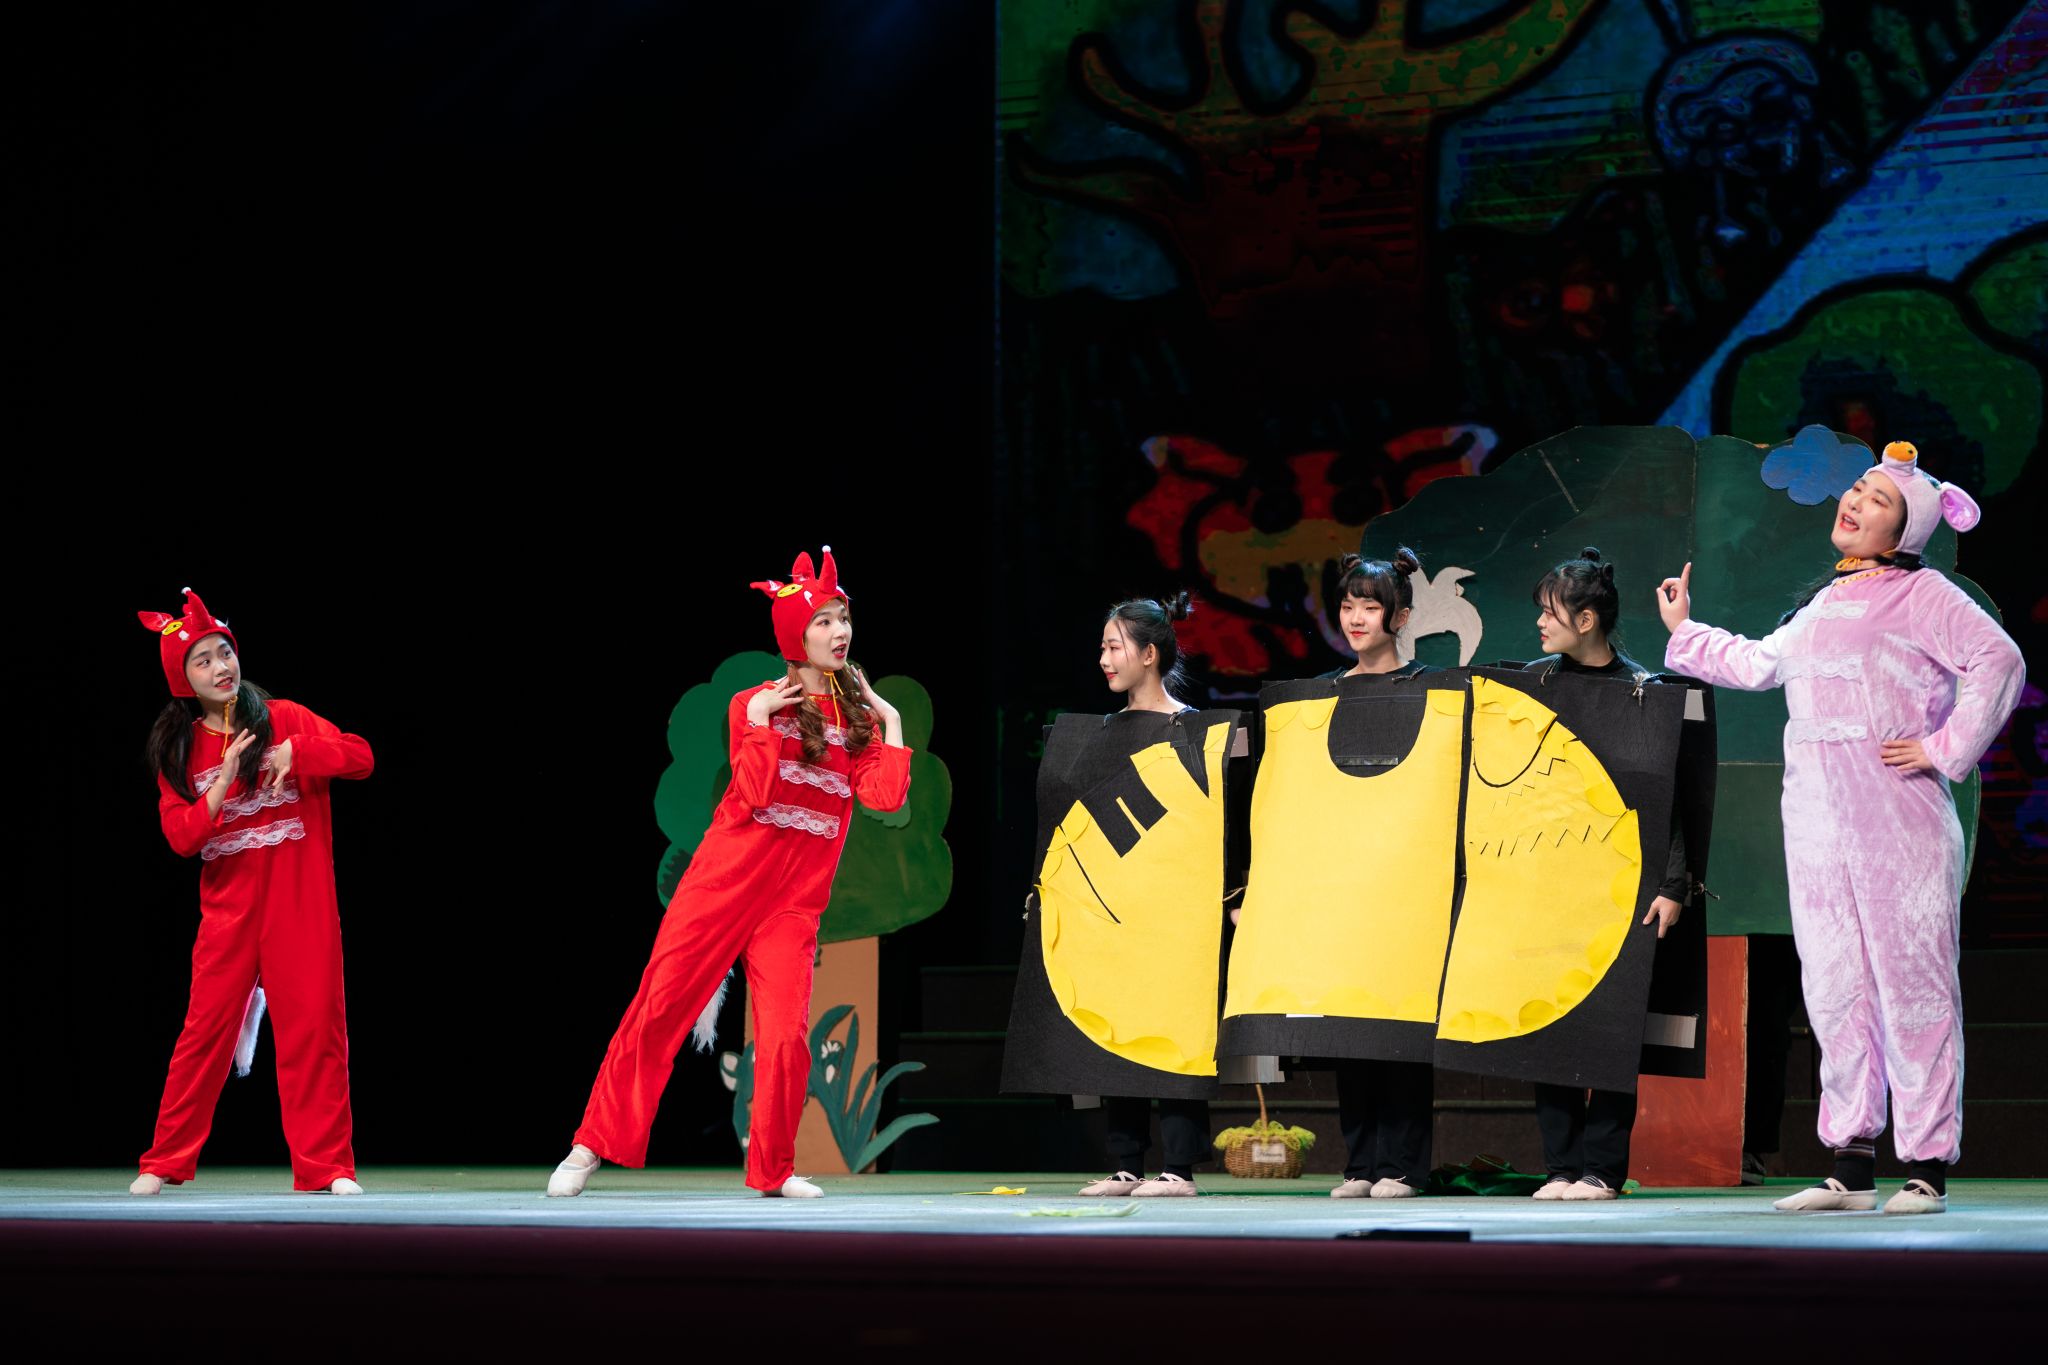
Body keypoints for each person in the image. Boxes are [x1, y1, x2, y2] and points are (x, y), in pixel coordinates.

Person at [1659, 443, 2024, 1215]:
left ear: (1905, 530)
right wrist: (1685, 629)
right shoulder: (1825, 602)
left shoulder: (1925, 594)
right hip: (1818, 823)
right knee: (1834, 988)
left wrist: (1944, 748)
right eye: (1856, 489)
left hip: (1900, 821)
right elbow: (1759, 664)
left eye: (1876, 499)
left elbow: (1999, 659)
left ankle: (1925, 1165)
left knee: (1914, 987)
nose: (1854, 502)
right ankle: (1851, 1165)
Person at [548, 548, 912, 1200]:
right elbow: (753, 795)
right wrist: (760, 721)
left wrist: (889, 720)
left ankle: (773, 1170)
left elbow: (884, 798)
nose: (840, 631)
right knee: (660, 1007)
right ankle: (590, 1144)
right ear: (795, 636)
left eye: (843, 619)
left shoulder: (856, 722)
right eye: (825, 620)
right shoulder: (753, 704)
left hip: (792, 904)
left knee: (786, 1036)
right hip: (723, 884)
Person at [131, 587, 374, 1196]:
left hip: (301, 906)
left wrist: (300, 750)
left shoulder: (284, 717)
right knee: (203, 1035)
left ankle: (327, 1168)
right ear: (185, 680)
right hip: (229, 915)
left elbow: (361, 756)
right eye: (203, 660)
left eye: (225, 652)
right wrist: (221, 786)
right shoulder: (179, 750)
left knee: (316, 1031)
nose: (221, 667)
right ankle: (164, 1161)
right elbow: (180, 837)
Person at [1522, 549, 1688, 1202]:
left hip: (1624, 884)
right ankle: (1560, 1164)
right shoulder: (1533, 686)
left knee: (1614, 1028)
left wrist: (1672, 885)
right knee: (1547, 1020)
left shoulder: (1643, 691)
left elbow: (1672, 798)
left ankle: (1602, 1168)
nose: (1540, 622)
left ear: (1586, 619)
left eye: (1551, 611)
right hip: (1546, 881)